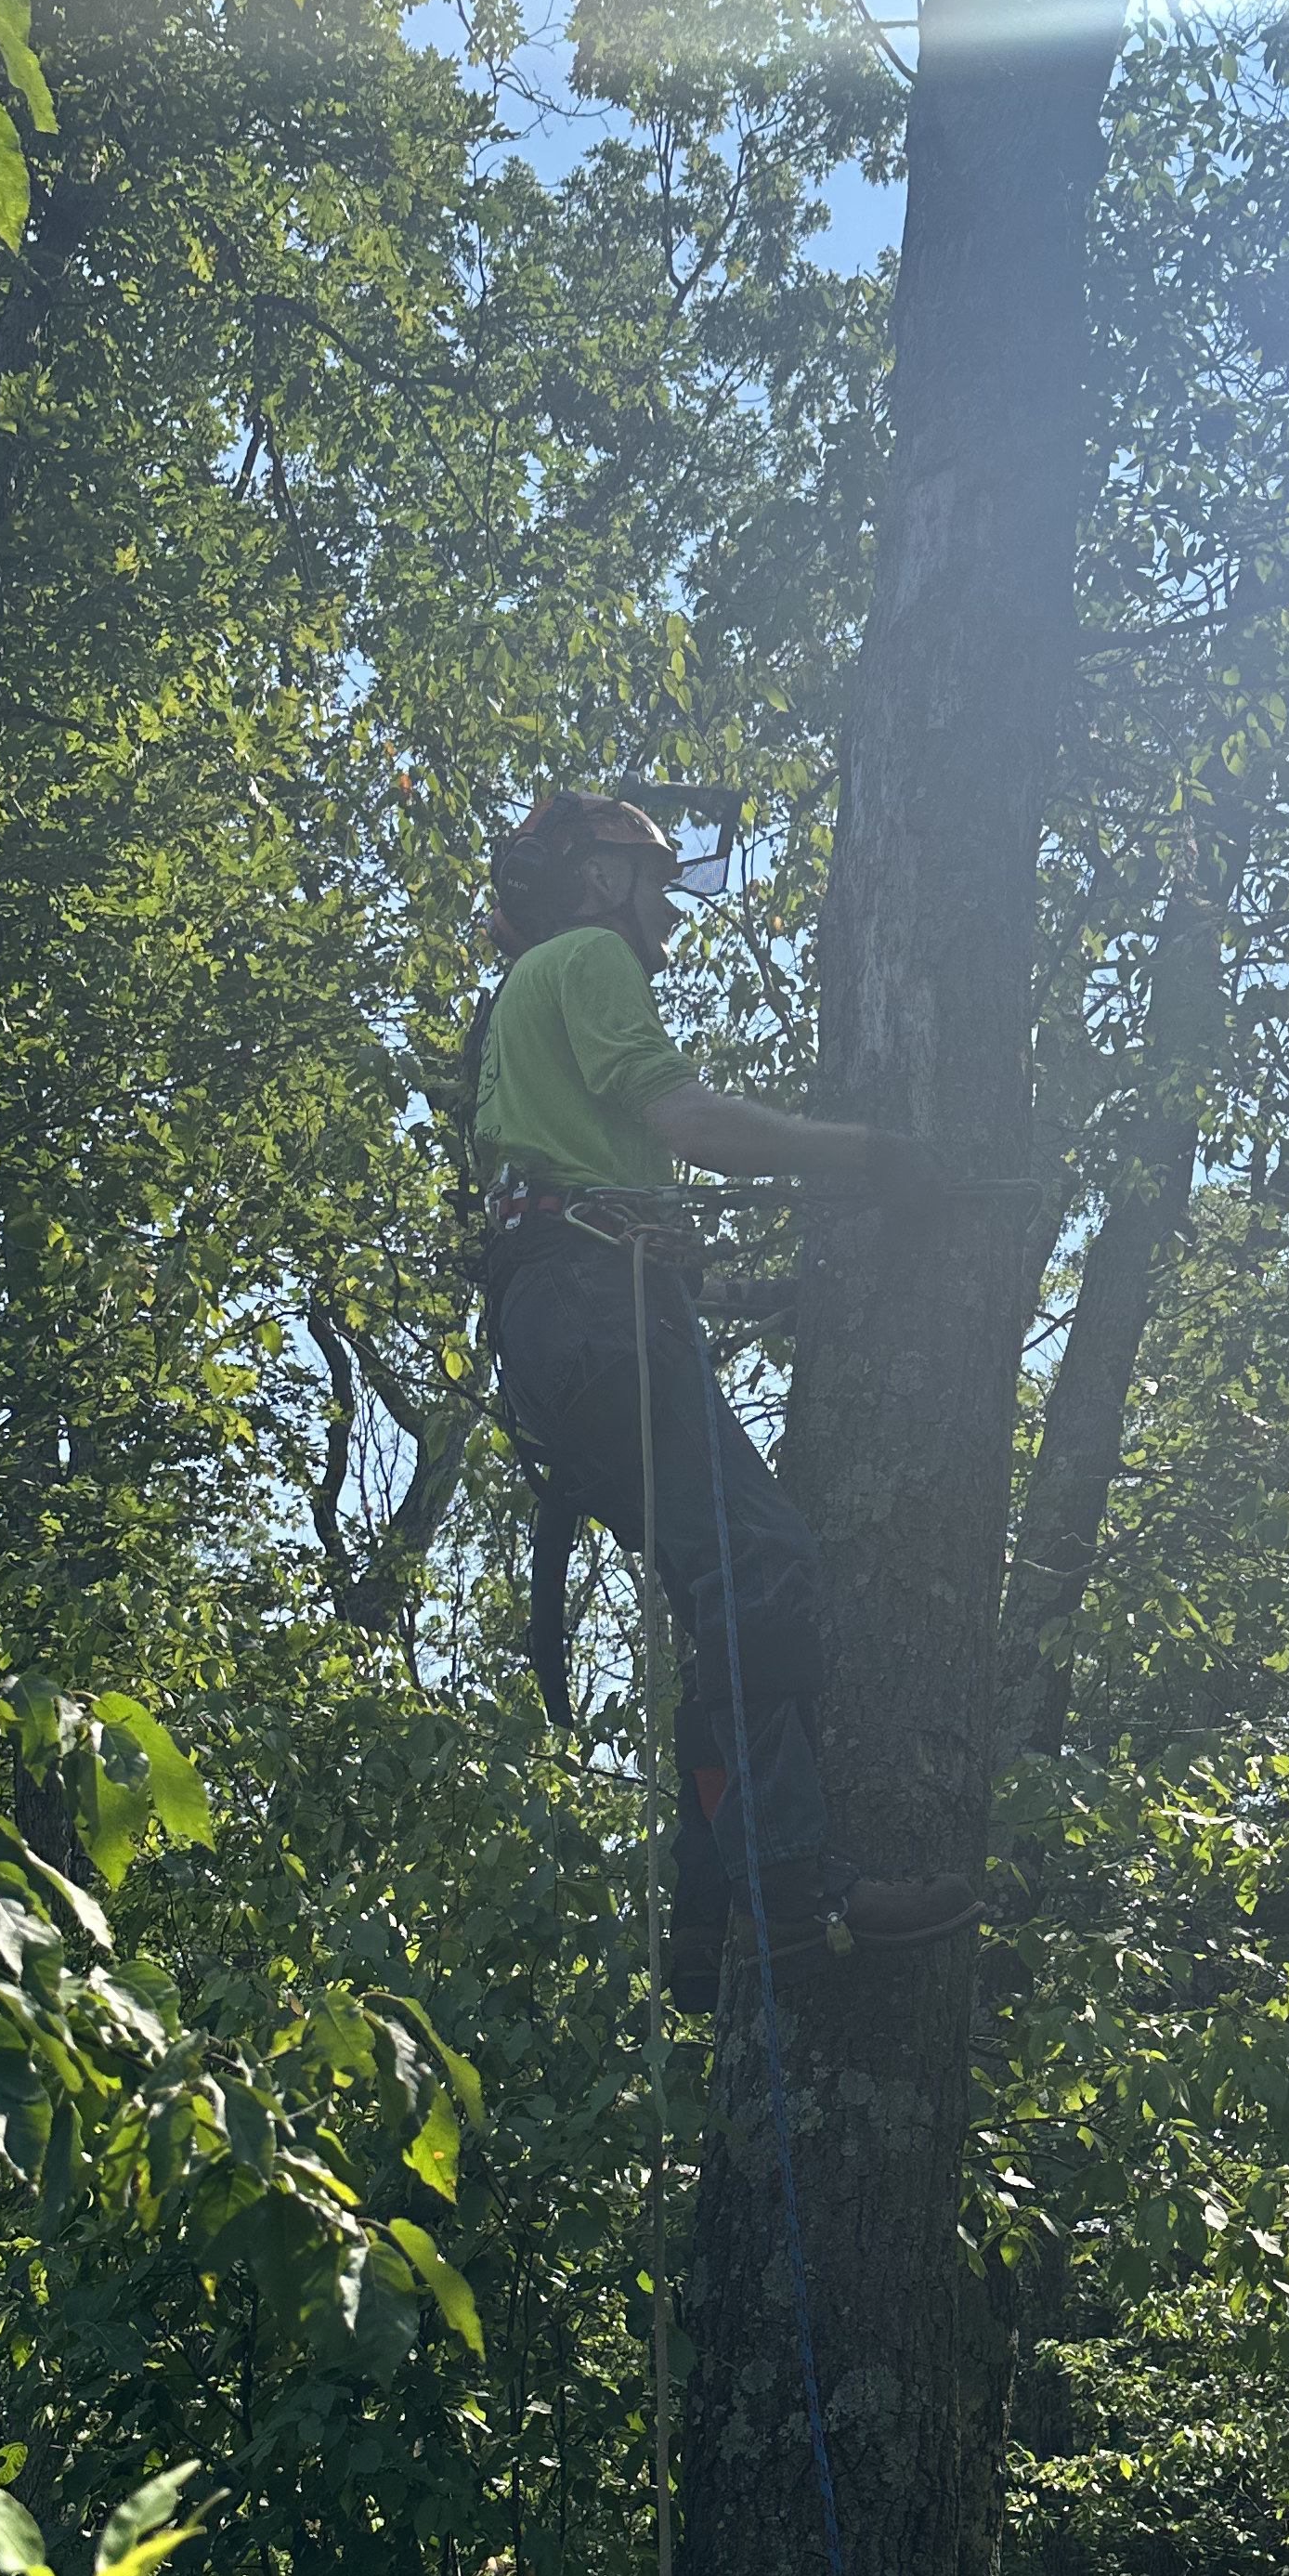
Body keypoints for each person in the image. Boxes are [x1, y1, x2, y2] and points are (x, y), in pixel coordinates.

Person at [469, 790, 975, 2001]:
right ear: (599, 883)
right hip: (595, 1311)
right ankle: (791, 1887)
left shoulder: (519, 1004)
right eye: (658, 882)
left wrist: (675, 1252)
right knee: (762, 1566)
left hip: (563, 1322)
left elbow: (579, 1177)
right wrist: (871, 1158)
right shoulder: (589, 958)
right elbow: (692, 1124)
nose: (673, 915)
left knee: (724, 1598)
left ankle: (707, 1912)